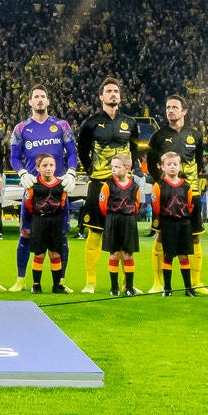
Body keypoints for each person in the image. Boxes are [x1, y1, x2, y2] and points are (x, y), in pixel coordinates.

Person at [8, 87, 76, 291]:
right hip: (32, 189)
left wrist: (71, 172)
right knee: (25, 235)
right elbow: (13, 157)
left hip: (58, 189)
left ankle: (61, 282)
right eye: (35, 97)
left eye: (43, 97)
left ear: (48, 101)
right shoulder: (21, 128)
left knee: (62, 237)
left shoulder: (61, 125)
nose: (39, 100)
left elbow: (72, 152)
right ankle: (21, 280)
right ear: (29, 102)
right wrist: (21, 173)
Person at [74, 80, 137, 296]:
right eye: (108, 91)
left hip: (123, 187)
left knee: (123, 236)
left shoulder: (130, 123)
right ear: (101, 97)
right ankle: (91, 281)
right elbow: (82, 151)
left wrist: (127, 174)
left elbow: (134, 151)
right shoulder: (90, 123)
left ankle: (126, 285)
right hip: (99, 184)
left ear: (120, 96)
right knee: (95, 232)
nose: (113, 94)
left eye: (116, 91)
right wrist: (93, 171)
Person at [145, 95, 206, 293]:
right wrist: (161, 185)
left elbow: (199, 162)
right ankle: (158, 283)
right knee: (161, 236)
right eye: (168, 107)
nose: (170, 110)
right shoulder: (158, 136)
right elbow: (151, 162)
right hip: (166, 195)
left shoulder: (195, 135)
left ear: (184, 111)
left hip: (190, 192)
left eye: (174, 107)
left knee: (194, 237)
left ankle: (195, 283)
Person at [151, 150, 198, 297]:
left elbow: (190, 205)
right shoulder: (159, 185)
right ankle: (167, 288)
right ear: (162, 167)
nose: (172, 167)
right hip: (168, 224)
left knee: (184, 255)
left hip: (184, 224)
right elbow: (156, 206)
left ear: (180, 167)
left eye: (175, 164)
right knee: (168, 255)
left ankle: (188, 288)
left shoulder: (186, 186)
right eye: (169, 164)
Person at [96, 151, 142, 297]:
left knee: (128, 255)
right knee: (114, 255)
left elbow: (137, 205)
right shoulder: (107, 185)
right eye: (112, 167)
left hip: (129, 222)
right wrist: (112, 217)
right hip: (113, 221)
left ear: (127, 168)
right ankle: (114, 287)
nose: (113, 170)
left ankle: (129, 287)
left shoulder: (135, 186)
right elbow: (102, 206)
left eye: (117, 167)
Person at [23, 153, 68, 293]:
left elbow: (63, 205)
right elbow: (28, 204)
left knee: (55, 254)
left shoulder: (62, 185)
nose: (48, 168)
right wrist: (30, 222)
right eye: (45, 165)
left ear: (55, 167)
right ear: (37, 168)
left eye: (51, 165)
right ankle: (36, 284)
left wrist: (64, 224)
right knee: (39, 254)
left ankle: (57, 285)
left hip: (55, 222)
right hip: (39, 221)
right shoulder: (33, 185)